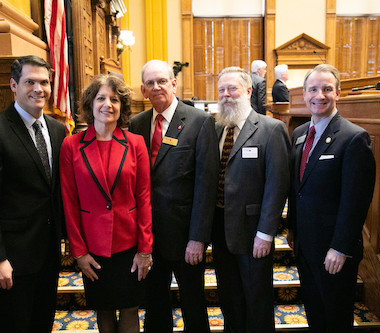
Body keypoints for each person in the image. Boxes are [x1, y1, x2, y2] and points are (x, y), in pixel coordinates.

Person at [0, 55, 66, 333]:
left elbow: (55, 192)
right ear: (13, 85)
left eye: (44, 82)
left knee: (42, 323)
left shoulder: (58, 131)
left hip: (48, 253)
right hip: (12, 259)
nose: (39, 89)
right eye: (30, 82)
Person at [129, 60, 218, 333]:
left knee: (193, 304)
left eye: (162, 81)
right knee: (155, 305)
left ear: (174, 84)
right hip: (149, 236)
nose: (156, 87)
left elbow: (207, 184)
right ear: (144, 90)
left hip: (185, 236)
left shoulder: (199, 122)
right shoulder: (137, 124)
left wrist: (198, 237)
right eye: (150, 83)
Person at [60, 74, 153, 333]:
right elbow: (69, 200)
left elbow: (144, 197)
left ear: (122, 106)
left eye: (114, 99)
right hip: (93, 247)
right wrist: (78, 251)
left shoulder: (135, 143)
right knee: (103, 308)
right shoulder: (71, 145)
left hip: (129, 244)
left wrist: (145, 248)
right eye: (101, 98)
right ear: (91, 104)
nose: (107, 104)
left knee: (130, 307)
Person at [287, 64, 375, 332]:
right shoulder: (300, 135)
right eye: (313, 89)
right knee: (315, 312)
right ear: (304, 93)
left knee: (336, 318)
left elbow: (356, 201)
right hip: (305, 245)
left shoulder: (354, 137)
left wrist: (340, 247)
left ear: (337, 93)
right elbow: (297, 188)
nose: (319, 95)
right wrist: (292, 228)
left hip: (333, 251)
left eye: (327, 89)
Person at [212, 66, 290, 333]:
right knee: (229, 298)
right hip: (220, 230)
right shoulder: (216, 128)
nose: (226, 95)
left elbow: (277, 186)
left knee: (256, 299)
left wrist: (266, 233)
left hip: (253, 231)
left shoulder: (271, 129)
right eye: (221, 90)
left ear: (247, 91)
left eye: (232, 88)